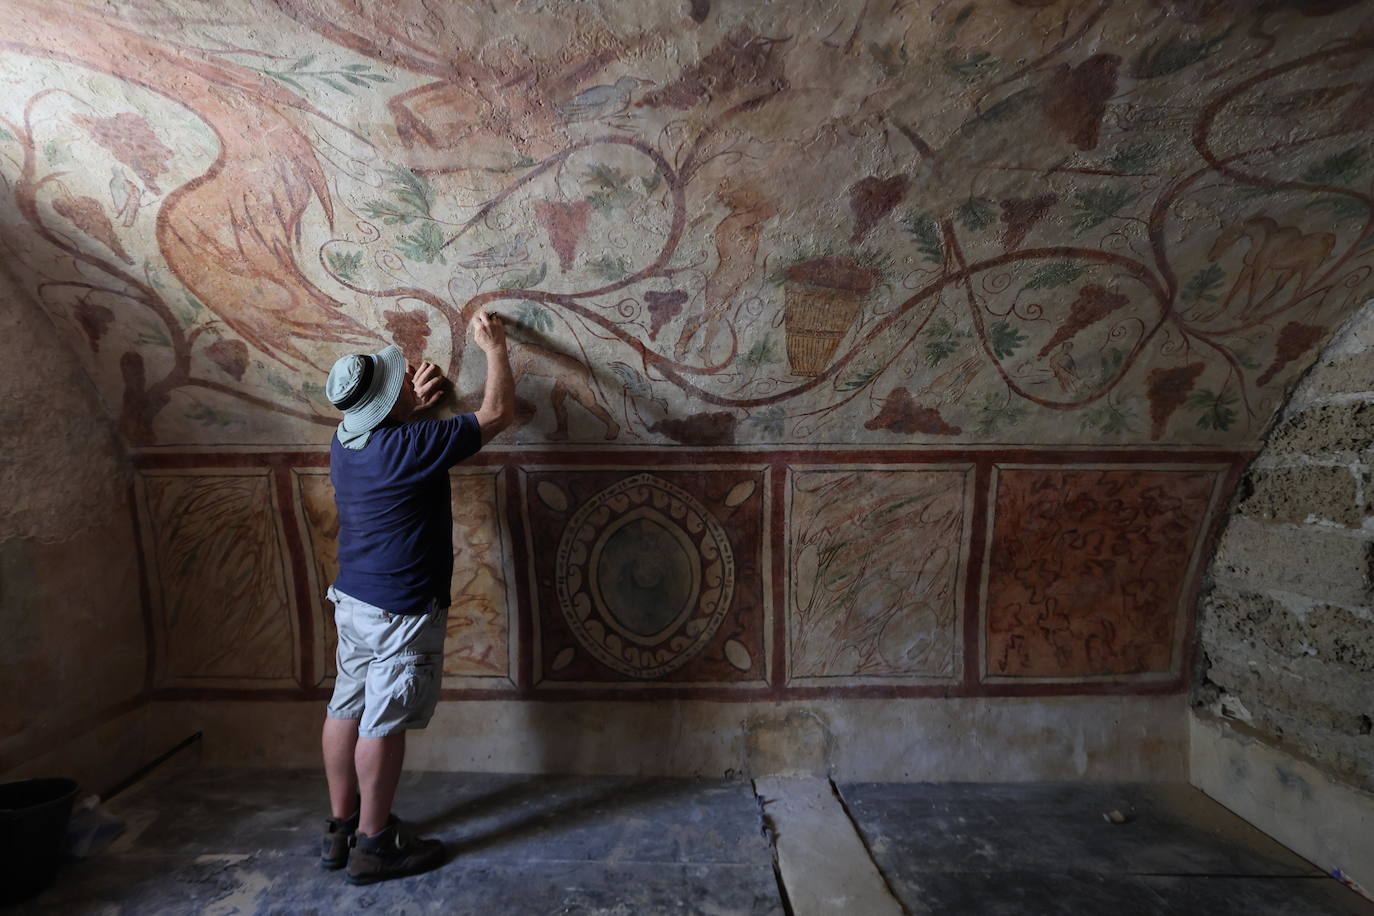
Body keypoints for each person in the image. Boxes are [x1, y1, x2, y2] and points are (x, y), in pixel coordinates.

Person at [318, 310, 514, 885]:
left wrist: (409, 407)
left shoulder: (346, 442)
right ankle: (376, 846)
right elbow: (497, 413)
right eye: (397, 381)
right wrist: (495, 348)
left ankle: (341, 827)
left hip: (353, 601)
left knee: (344, 707)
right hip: (400, 609)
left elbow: (396, 443)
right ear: (387, 407)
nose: (407, 378)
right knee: (383, 721)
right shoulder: (412, 445)